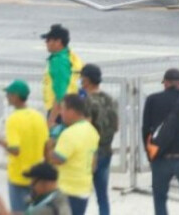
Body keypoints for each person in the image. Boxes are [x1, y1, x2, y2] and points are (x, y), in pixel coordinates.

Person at [143, 69, 179, 215]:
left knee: (160, 197)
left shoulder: (152, 100)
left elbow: (145, 130)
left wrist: (150, 154)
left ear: (165, 83)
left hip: (160, 158)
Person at [0, 80, 50, 214]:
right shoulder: (39, 117)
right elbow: (47, 146)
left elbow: (15, 150)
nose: (7, 97)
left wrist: (3, 144)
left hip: (18, 176)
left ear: (15, 96)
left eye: (9, 94)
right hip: (37, 177)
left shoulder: (13, 119)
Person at [48, 94, 99, 215]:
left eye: (63, 109)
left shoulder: (69, 134)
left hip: (67, 190)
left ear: (71, 111)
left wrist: (50, 144)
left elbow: (56, 159)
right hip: (84, 188)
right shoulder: (92, 130)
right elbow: (93, 164)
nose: (61, 113)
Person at [80, 64, 118, 215]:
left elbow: (85, 127)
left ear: (87, 80)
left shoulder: (86, 101)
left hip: (90, 153)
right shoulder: (110, 99)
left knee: (81, 194)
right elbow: (116, 125)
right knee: (102, 196)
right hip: (106, 150)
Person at [0, 162, 71, 215]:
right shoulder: (56, 196)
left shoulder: (51, 207)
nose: (31, 184)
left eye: (34, 181)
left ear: (46, 183)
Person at [42, 23, 84, 127]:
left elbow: (60, 93)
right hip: (71, 107)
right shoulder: (70, 56)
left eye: (48, 40)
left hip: (60, 111)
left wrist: (51, 120)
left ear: (58, 42)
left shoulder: (59, 61)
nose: (46, 43)